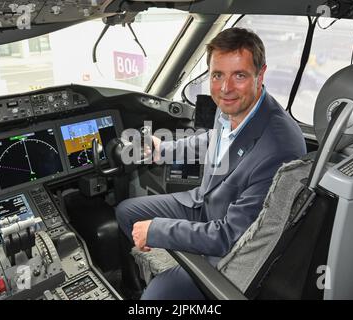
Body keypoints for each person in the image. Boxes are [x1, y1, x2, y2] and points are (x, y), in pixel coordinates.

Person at [115, 27, 306, 299]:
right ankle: (136, 284)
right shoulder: (235, 104)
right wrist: (162, 150)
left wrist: (158, 230)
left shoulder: (279, 147)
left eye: (239, 75)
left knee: (156, 298)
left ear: (260, 75)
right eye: (217, 75)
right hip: (204, 203)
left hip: (229, 248)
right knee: (126, 212)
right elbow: (214, 140)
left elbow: (229, 235)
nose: (225, 88)